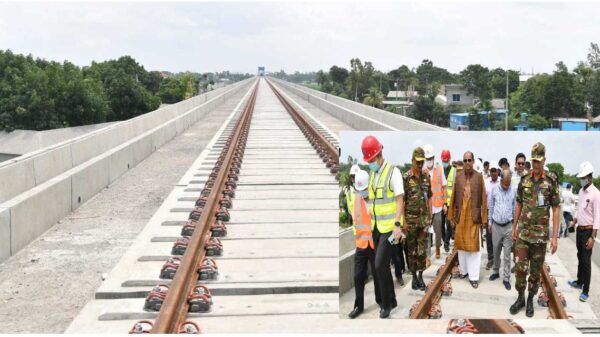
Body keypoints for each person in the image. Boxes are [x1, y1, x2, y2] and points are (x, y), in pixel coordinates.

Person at [510, 143, 559, 317]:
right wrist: (514, 227)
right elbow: (518, 204)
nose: (536, 165)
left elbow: (556, 208)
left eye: (539, 161)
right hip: (523, 234)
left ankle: (530, 298)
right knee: (521, 269)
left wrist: (554, 238)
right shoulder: (524, 180)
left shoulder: (550, 181)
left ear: (544, 160)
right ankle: (520, 297)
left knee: (535, 272)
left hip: (539, 237)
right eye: (534, 161)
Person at [361, 135, 405, 319]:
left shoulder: (393, 172)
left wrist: (397, 225)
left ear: (379, 155)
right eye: (368, 161)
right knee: (382, 266)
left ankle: (386, 305)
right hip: (377, 228)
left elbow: (400, 198)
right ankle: (392, 299)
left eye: (371, 160)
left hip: (390, 229)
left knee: (379, 264)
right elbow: (372, 199)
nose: (370, 163)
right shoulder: (373, 174)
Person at [448, 151, 488, 289]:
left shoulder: (479, 177)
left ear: (473, 161)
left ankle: (474, 277)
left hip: (474, 218)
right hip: (461, 217)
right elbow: (453, 197)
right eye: (465, 160)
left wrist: (484, 219)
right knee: (461, 248)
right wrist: (451, 215)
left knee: (474, 250)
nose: (467, 163)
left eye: (469, 160)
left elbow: (483, 198)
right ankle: (464, 271)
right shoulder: (458, 177)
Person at [348, 170, 381, 319]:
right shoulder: (356, 199)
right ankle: (358, 306)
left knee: (377, 274)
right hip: (361, 244)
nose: (362, 193)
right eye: (359, 190)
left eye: (364, 190)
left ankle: (380, 301)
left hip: (374, 244)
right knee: (357, 276)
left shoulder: (377, 200)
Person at [567, 162, 600, 302]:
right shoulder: (581, 191)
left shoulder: (596, 194)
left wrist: (593, 237)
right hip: (579, 230)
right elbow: (579, 210)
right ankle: (579, 282)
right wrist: (574, 221)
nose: (582, 180)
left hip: (588, 232)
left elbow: (597, 217)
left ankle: (585, 290)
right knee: (580, 257)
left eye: (584, 177)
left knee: (586, 262)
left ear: (589, 177)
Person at [403, 147, 433, 291]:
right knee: (411, 251)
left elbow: (430, 196)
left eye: (422, 162)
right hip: (410, 221)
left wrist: (430, 215)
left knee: (422, 251)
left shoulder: (427, 178)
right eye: (418, 162)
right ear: (412, 161)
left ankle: (421, 276)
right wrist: (403, 221)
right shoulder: (406, 177)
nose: (420, 165)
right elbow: (401, 200)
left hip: (423, 222)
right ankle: (414, 277)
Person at [488, 168, 516, 290]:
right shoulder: (494, 190)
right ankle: (495, 271)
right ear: (501, 179)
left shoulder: (513, 190)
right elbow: (491, 206)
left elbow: (515, 208)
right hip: (496, 226)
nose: (506, 186)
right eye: (504, 183)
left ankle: (506, 277)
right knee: (496, 251)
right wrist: (489, 222)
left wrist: (515, 226)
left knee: (507, 255)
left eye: (508, 183)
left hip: (508, 226)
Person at [423, 144, 447, 259]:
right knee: (427, 232)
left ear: (433, 158)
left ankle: (437, 248)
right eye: (427, 159)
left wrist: (445, 204)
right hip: (427, 208)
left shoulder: (440, 170)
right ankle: (427, 255)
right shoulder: (423, 171)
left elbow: (444, 187)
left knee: (438, 231)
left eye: (430, 158)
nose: (429, 161)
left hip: (437, 207)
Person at [484, 163, 500, 270]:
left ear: (498, 171)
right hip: (488, 211)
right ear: (490, 171)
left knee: (498, 238)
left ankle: (497, 259)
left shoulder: (502, 181)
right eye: (492, 170)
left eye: (495, 170)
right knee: (489, 237)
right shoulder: (486, 182)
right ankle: (490, 259)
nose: (493, 172)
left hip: (498, 212)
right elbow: (483, 197)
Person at [442, 149, 456, 253]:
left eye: (446, 160)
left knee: (450, 224)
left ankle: (446, 243)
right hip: (441, 203)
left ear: (449, 159)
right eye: (443, 160)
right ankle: (445, 240)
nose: (445, 162)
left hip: (451, 203)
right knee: (441, 225)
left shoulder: (454, 171)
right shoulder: (440, 170)